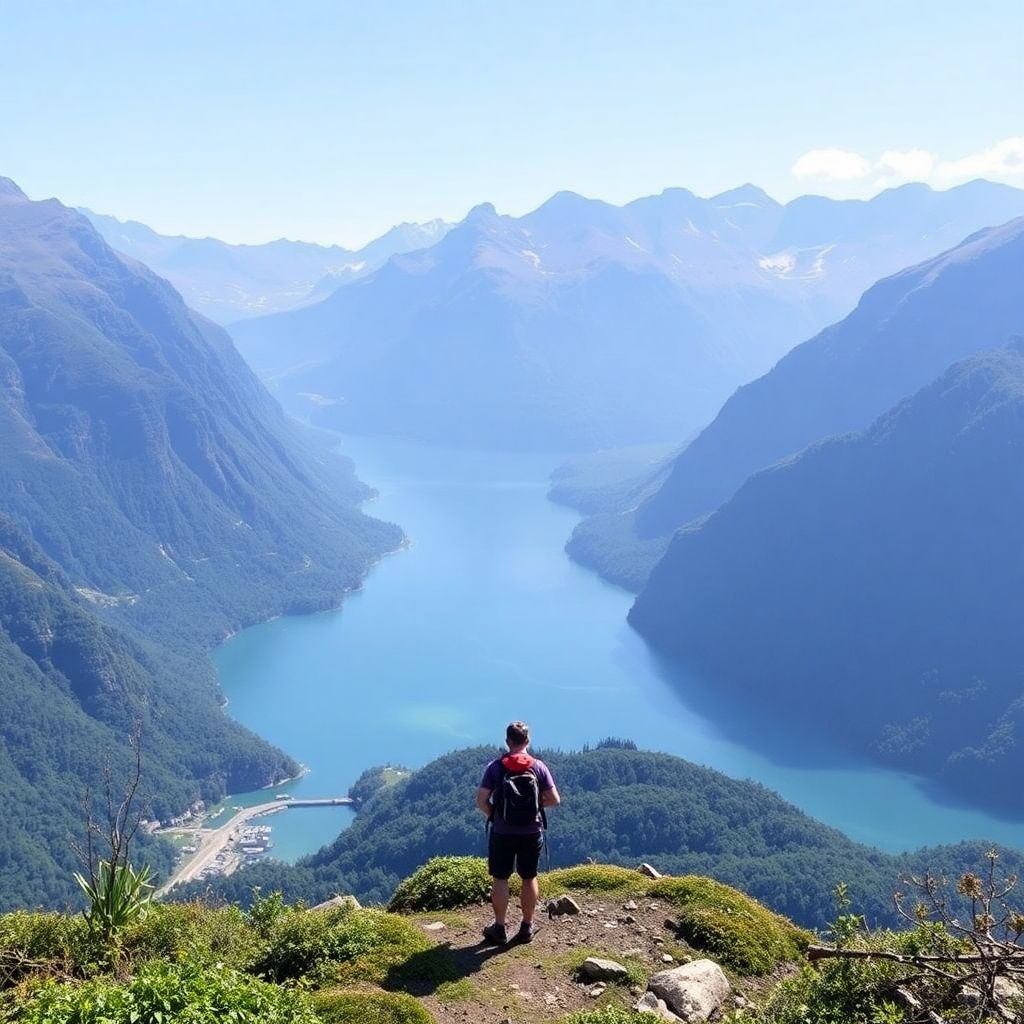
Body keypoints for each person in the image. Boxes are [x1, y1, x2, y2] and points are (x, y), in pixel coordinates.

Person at [476, 720, 560, 945]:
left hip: (502, 832)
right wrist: (534, 806)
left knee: (500, 878)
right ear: (527, 741)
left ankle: (500, 927)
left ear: (507, 741)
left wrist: (495, 813)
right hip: (531, 831)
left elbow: (481, 800)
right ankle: (526, 927)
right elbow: (554, 799)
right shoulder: (538, 767)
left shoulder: (496, 767)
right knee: (529, 877)